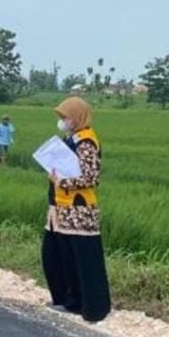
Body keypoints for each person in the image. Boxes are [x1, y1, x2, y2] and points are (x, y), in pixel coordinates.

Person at [41, 96, 111, 323]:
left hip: (78, 211)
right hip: (61, 209)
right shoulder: (71, 138)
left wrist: (62, 181)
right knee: (58, 256)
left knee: (82, 260)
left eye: (66, 117)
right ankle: (66, 299)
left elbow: (90, 177)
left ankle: (88, 306)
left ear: (77, 117)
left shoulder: (86, 142)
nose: (63, 121)